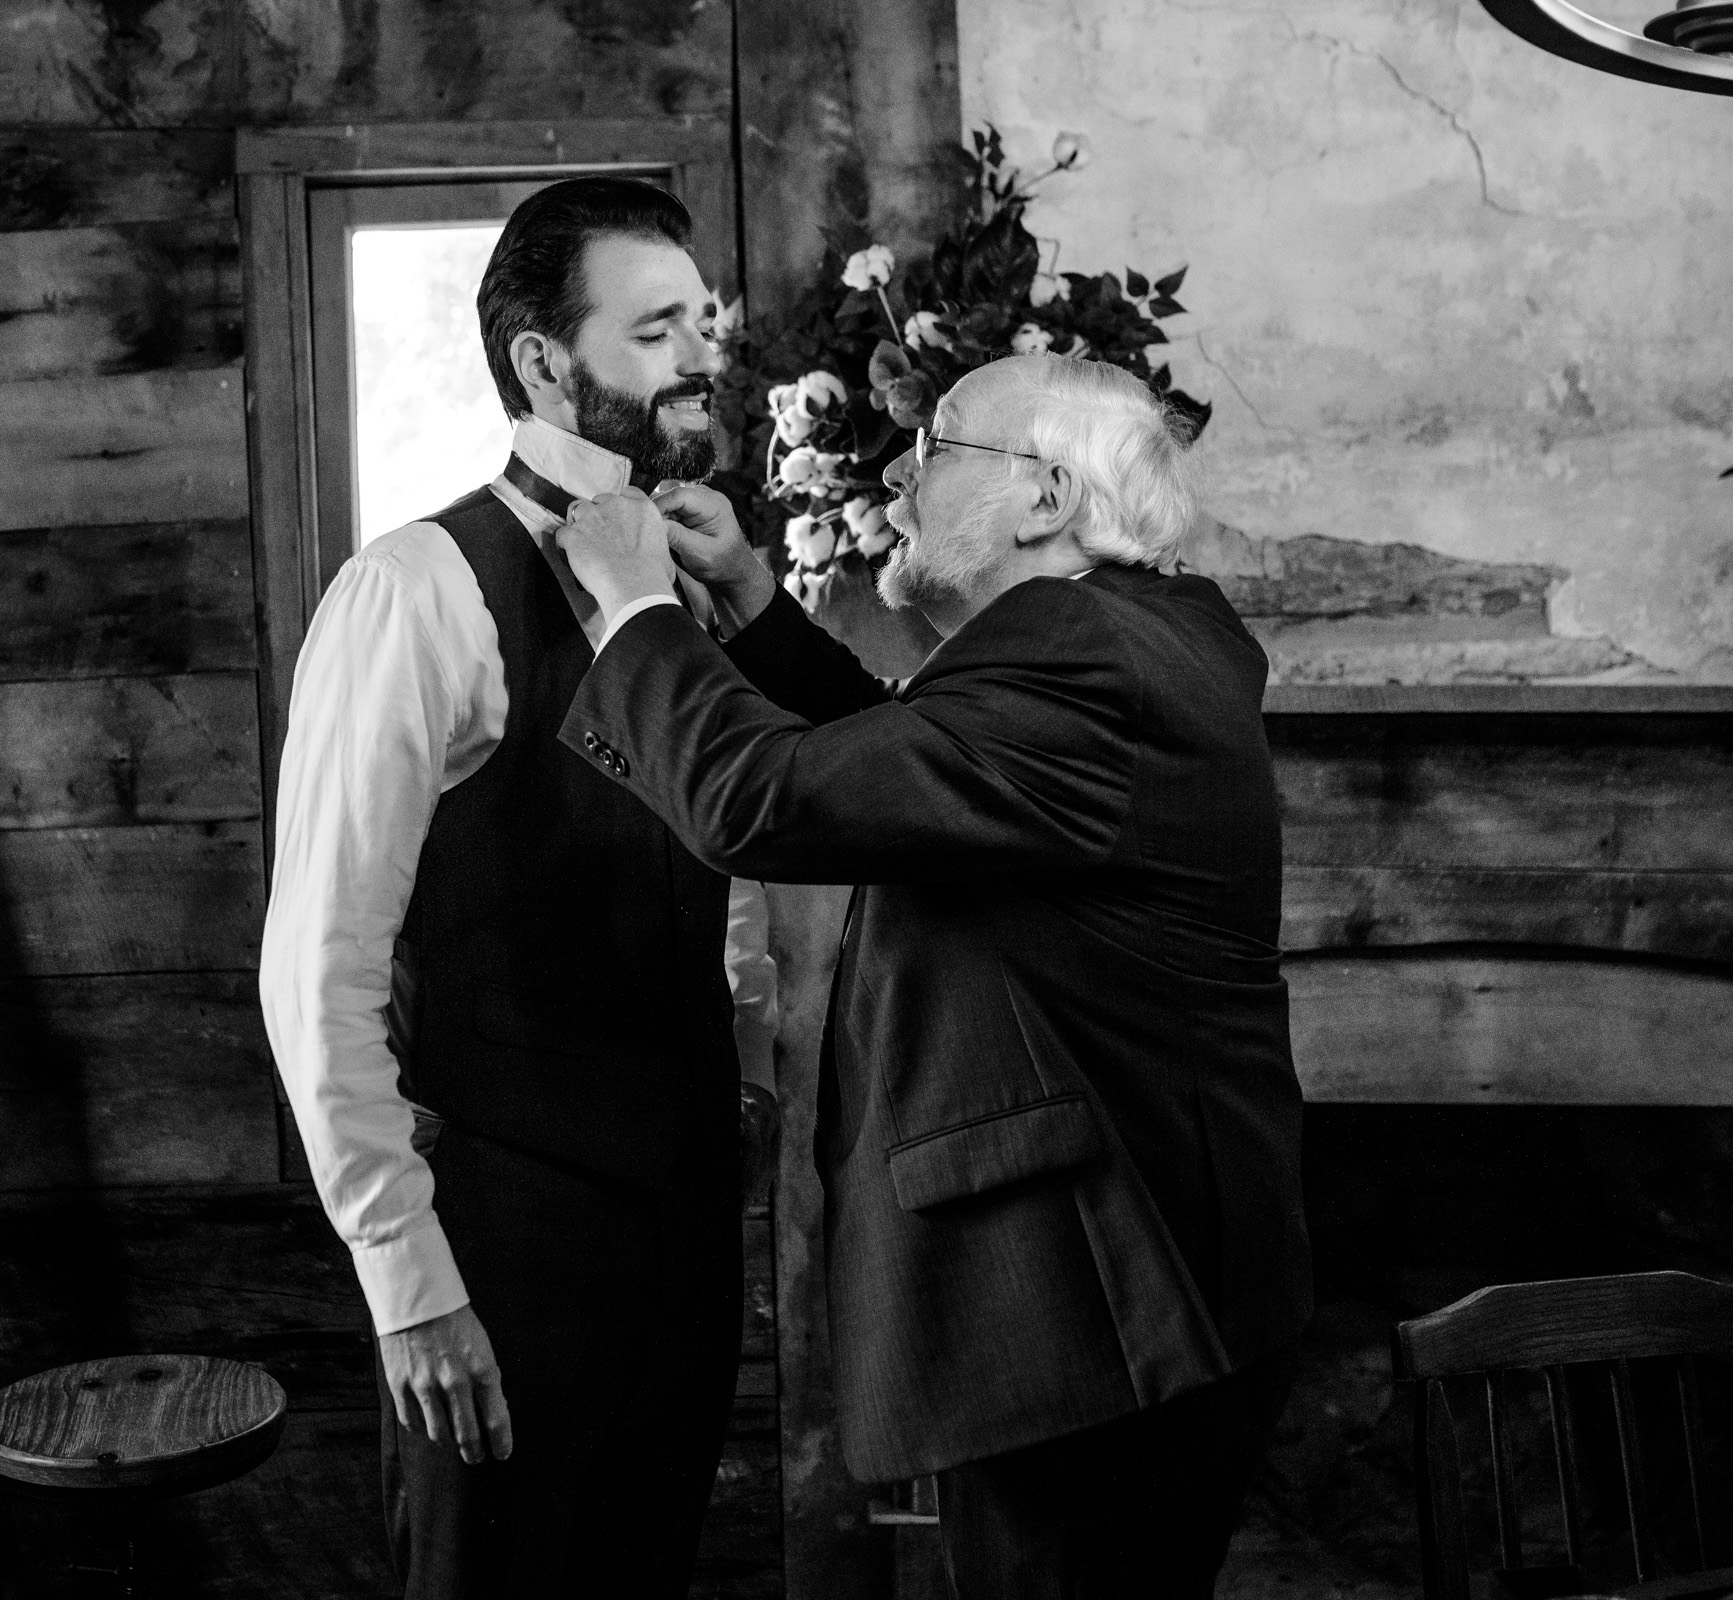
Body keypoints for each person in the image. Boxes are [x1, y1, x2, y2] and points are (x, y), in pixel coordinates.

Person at [550, 354, 1314, 1599]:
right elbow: (918, 767)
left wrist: (634, 610)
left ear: (1045, 497)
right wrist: (747, 594)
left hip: (1098, 1313)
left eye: (940, 447)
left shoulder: (1077, 655)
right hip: (1145, 1283)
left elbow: (765, 800)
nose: (900, 473)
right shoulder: (1138, 632)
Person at [258, 176, 756, 1600]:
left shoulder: (696, 579)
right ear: (546, 364)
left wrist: (747, 1058)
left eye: (701, 325)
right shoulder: (416, 591)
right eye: (656, 330)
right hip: (503, 1242)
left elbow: (719, 880)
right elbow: (319, 967)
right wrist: (408, 1286)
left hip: (683, 1228)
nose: (700, 358)